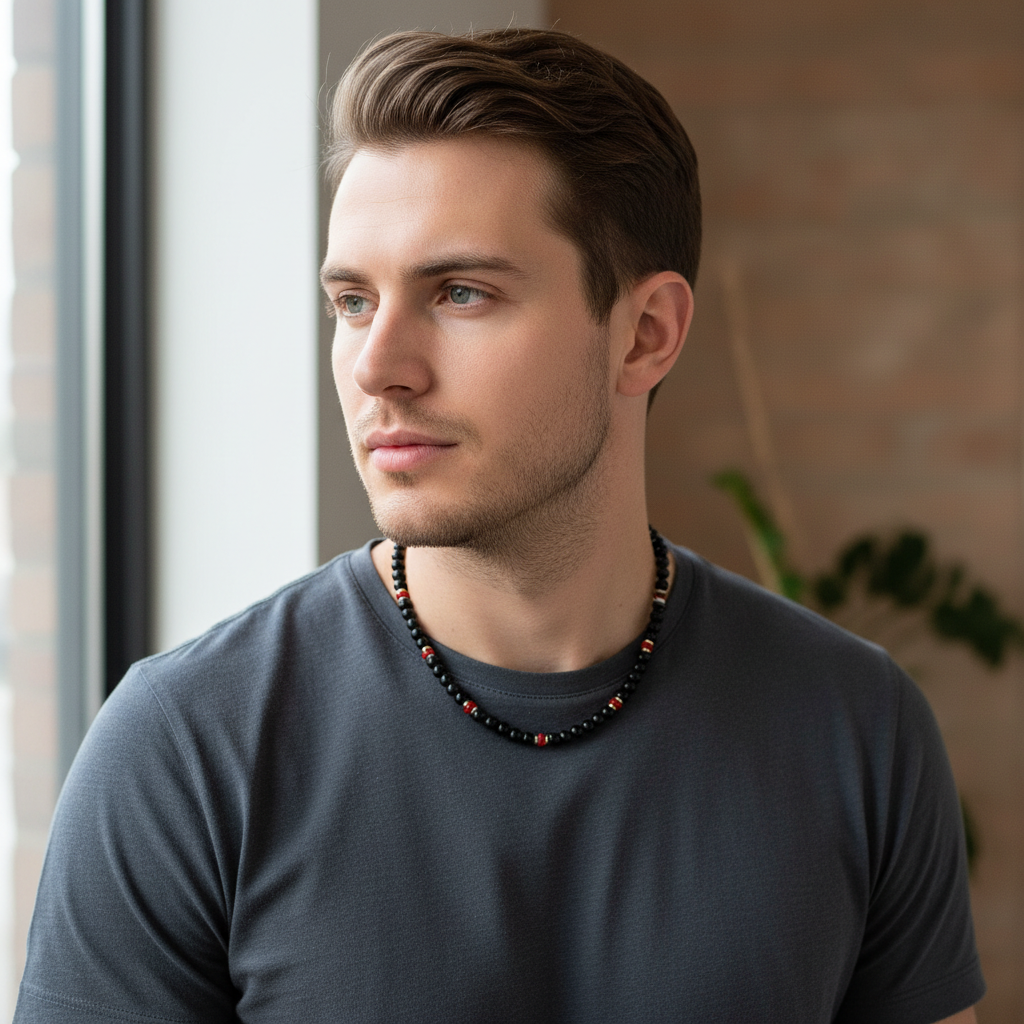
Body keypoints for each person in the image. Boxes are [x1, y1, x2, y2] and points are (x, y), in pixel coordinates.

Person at [16, 28, 983, 1024]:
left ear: (644, 334)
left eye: (460, 292)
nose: (376, 364)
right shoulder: (185, 747)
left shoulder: (854, 727)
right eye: (352, 300)